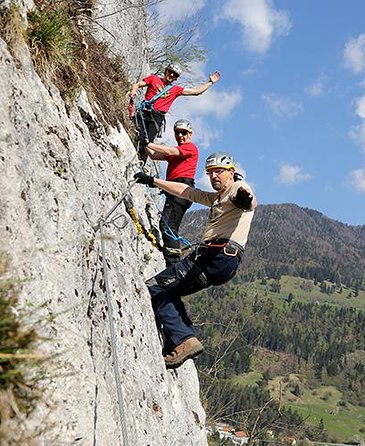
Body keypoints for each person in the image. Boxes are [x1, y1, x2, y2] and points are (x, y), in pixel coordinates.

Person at [134, 153, 256, 369]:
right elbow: (188, 192)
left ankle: (183, 340)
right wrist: (152, 181)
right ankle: (182, 340)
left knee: (155, 287)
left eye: (218, 171)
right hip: (221, 261)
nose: (214, 176)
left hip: (216, 255)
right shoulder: (217, 198)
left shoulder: (237, 188)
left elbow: (248, 200)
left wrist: (246, 199)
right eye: (210, 173)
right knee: (171, 290)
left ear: (230, 172)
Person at [128, 62, 221, 161]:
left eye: (175, 74)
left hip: (157, 117)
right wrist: (133, 91)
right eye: (170, 72)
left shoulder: (175, 89)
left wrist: (210, 82)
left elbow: (196, 92)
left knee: (148, 142)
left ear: (176, 78)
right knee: (136, 132)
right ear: (166, 71)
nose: (171, 75)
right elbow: (137, 84)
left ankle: (140, 161)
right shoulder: (153, 79)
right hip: (144, 112)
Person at [145, 119, 198, 266]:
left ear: (190, 134)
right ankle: (173, 262)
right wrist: (144, 142)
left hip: (182, 187)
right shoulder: (178, 152)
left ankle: (173, 264)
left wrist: (148, 143)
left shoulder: (190, 147)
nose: (180, 135)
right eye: (177, 132)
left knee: (168, 226)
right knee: (168, 225)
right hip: (176, 189)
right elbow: (154, 155)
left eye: (184, 132)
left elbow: (169, 151)